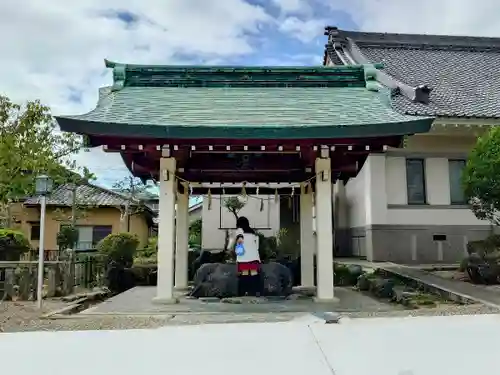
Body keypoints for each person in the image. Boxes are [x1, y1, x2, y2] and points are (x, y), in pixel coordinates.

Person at [227, 216, 261, 296]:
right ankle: (254, 292)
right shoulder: (252, 232)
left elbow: (240, 240)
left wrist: (235, 251)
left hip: (244, 258)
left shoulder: (239, 230)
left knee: (245, 275)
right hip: (254, 257)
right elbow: (257, 246)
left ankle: (243, 293)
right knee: (254, 274)